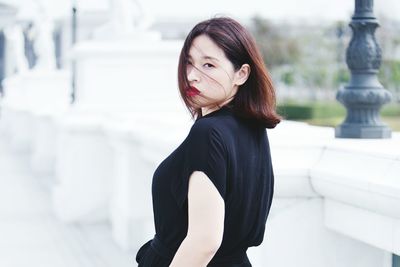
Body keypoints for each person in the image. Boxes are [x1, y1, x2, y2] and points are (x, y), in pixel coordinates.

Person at [135, 16, 281, 267]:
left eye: (209, 65)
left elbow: (204, 242)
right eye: (189, 63)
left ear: (241, 74)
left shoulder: (208, 133)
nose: (192, 76)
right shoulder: (252, 128)